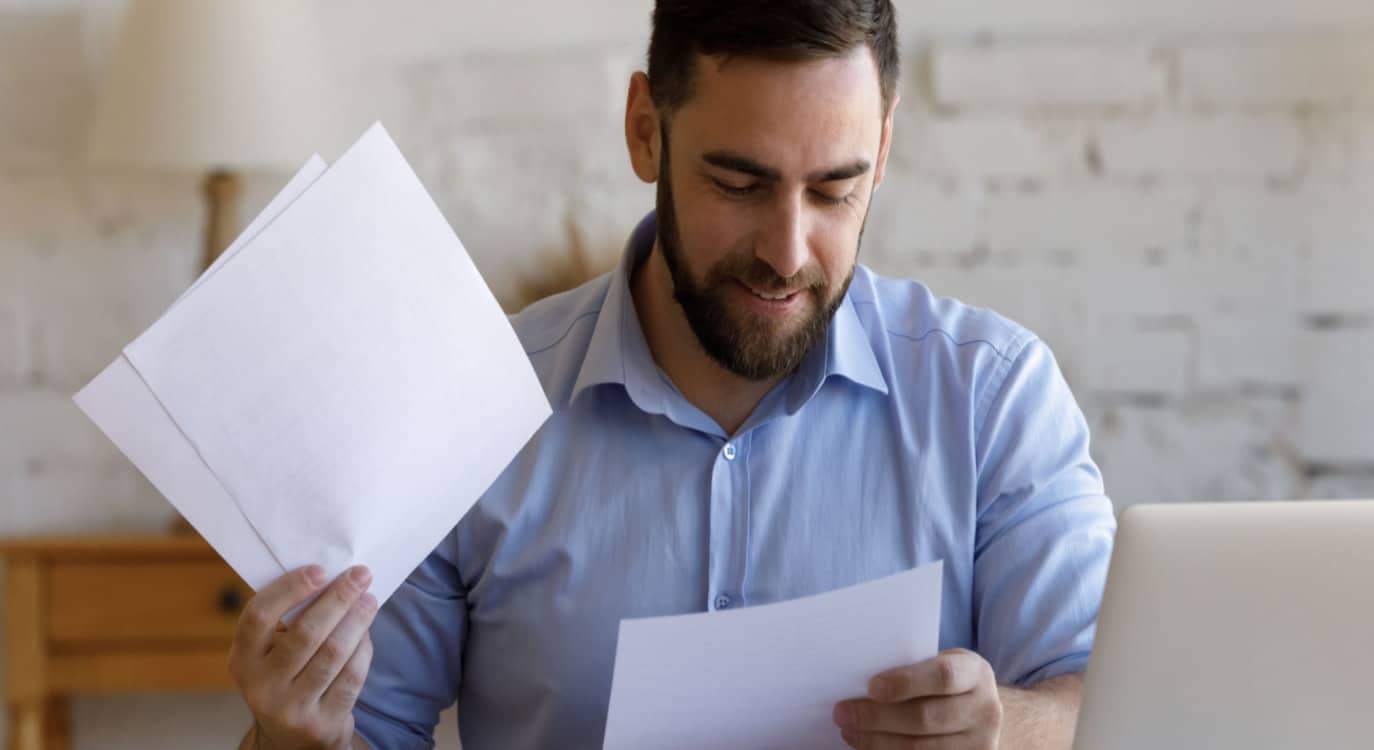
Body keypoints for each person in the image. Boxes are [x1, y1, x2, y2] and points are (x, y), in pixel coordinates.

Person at [230, 2, 1116, 748]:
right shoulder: (475, 405)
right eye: (739, 183)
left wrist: (1009, 728)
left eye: (835, 191)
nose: (787, 251)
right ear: (646, 132)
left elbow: (1113, 710)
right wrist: (289, 733)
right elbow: (368, 733)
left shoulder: (994, 402)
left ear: (883, 149)